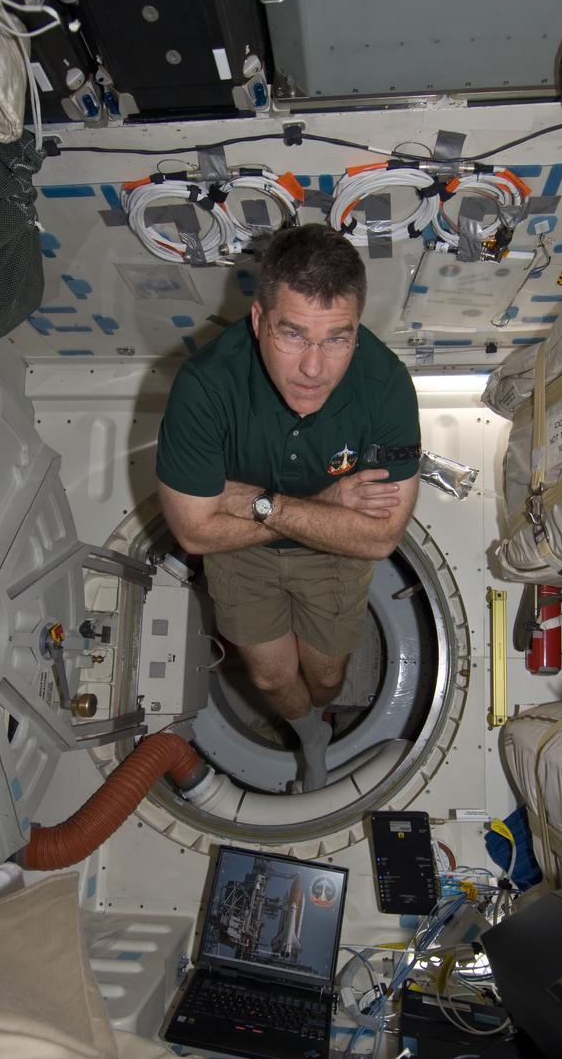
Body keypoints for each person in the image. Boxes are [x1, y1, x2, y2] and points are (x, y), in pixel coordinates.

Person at [155, 223, 421, 790]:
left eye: (337, 339)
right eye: (293, 335)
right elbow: (196, 535)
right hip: (242, 554)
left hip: (328, 552)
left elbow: (378, 539)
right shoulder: (206, 385)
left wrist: (257, 503)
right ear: (258, 320)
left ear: (356, 330)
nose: (314, 368)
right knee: (273, 679)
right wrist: (326, 504)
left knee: (326, 675)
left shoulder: (386, 384)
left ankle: (319, 715)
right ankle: (309, 734)